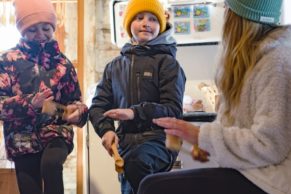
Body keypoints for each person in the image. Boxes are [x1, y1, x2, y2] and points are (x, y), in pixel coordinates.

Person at [137, 0, 291, 194]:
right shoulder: (254, 61)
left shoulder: (277, 62)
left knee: (152, 187)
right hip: (250, 172)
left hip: (271, 182)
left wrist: (201, 136)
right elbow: (238, 127)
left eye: (227, 8)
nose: (224, 13)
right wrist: (208, 146)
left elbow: (269, 145)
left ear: (238, 17)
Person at [89, 0, 186, 193]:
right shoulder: (114, 67)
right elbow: (98, 107)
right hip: (126, 143)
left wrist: (134, 113)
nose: (145, 23)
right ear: (128, 25)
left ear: (161, 25)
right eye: (139, 18)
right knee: (130, 185)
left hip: (162, 140)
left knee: (136, 163)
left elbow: (173, 110)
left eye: (152, 19)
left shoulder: (168, 63)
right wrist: (106, 131)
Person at [0, 0, 88, 194]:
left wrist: (78, 113)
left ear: (53, 27)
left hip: (56, 132)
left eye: (46, 28)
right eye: (32, 30)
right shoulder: (7, 61)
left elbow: (76, 101)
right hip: (21, 138)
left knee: (51, 165)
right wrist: (30, 103)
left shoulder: (63, 63)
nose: (40, 34)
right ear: (21, 30)